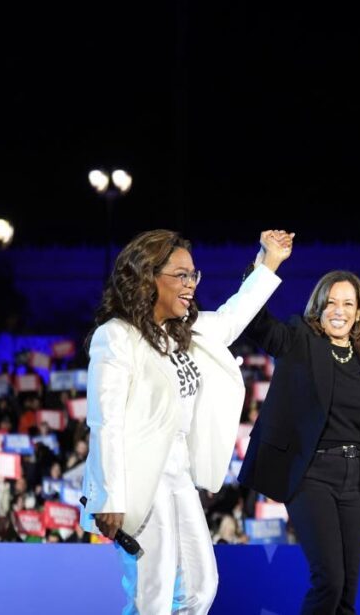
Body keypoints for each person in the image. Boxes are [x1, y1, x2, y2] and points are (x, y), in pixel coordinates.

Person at [80, 228, 292, 614]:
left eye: (193, 275)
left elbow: (233, 316)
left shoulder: (185, 333)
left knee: (200, 587)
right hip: (139, 478)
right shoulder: (116, 337)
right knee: (152, 596)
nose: (190, 284)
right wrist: (110, 496)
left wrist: (271, 260)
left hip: (180, 475)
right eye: (181, 275)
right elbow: (104, 420)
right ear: (147, 277)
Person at [238, 270, 360, 614]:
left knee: (348, 592)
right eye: (332, 302)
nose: (340, 310)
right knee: (329, 581)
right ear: (319, 308)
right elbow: (256, 321)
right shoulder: (299, 340)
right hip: (310, 476)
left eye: (348, 303)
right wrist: (264, 266)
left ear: (359, 311)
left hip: (354, 482)